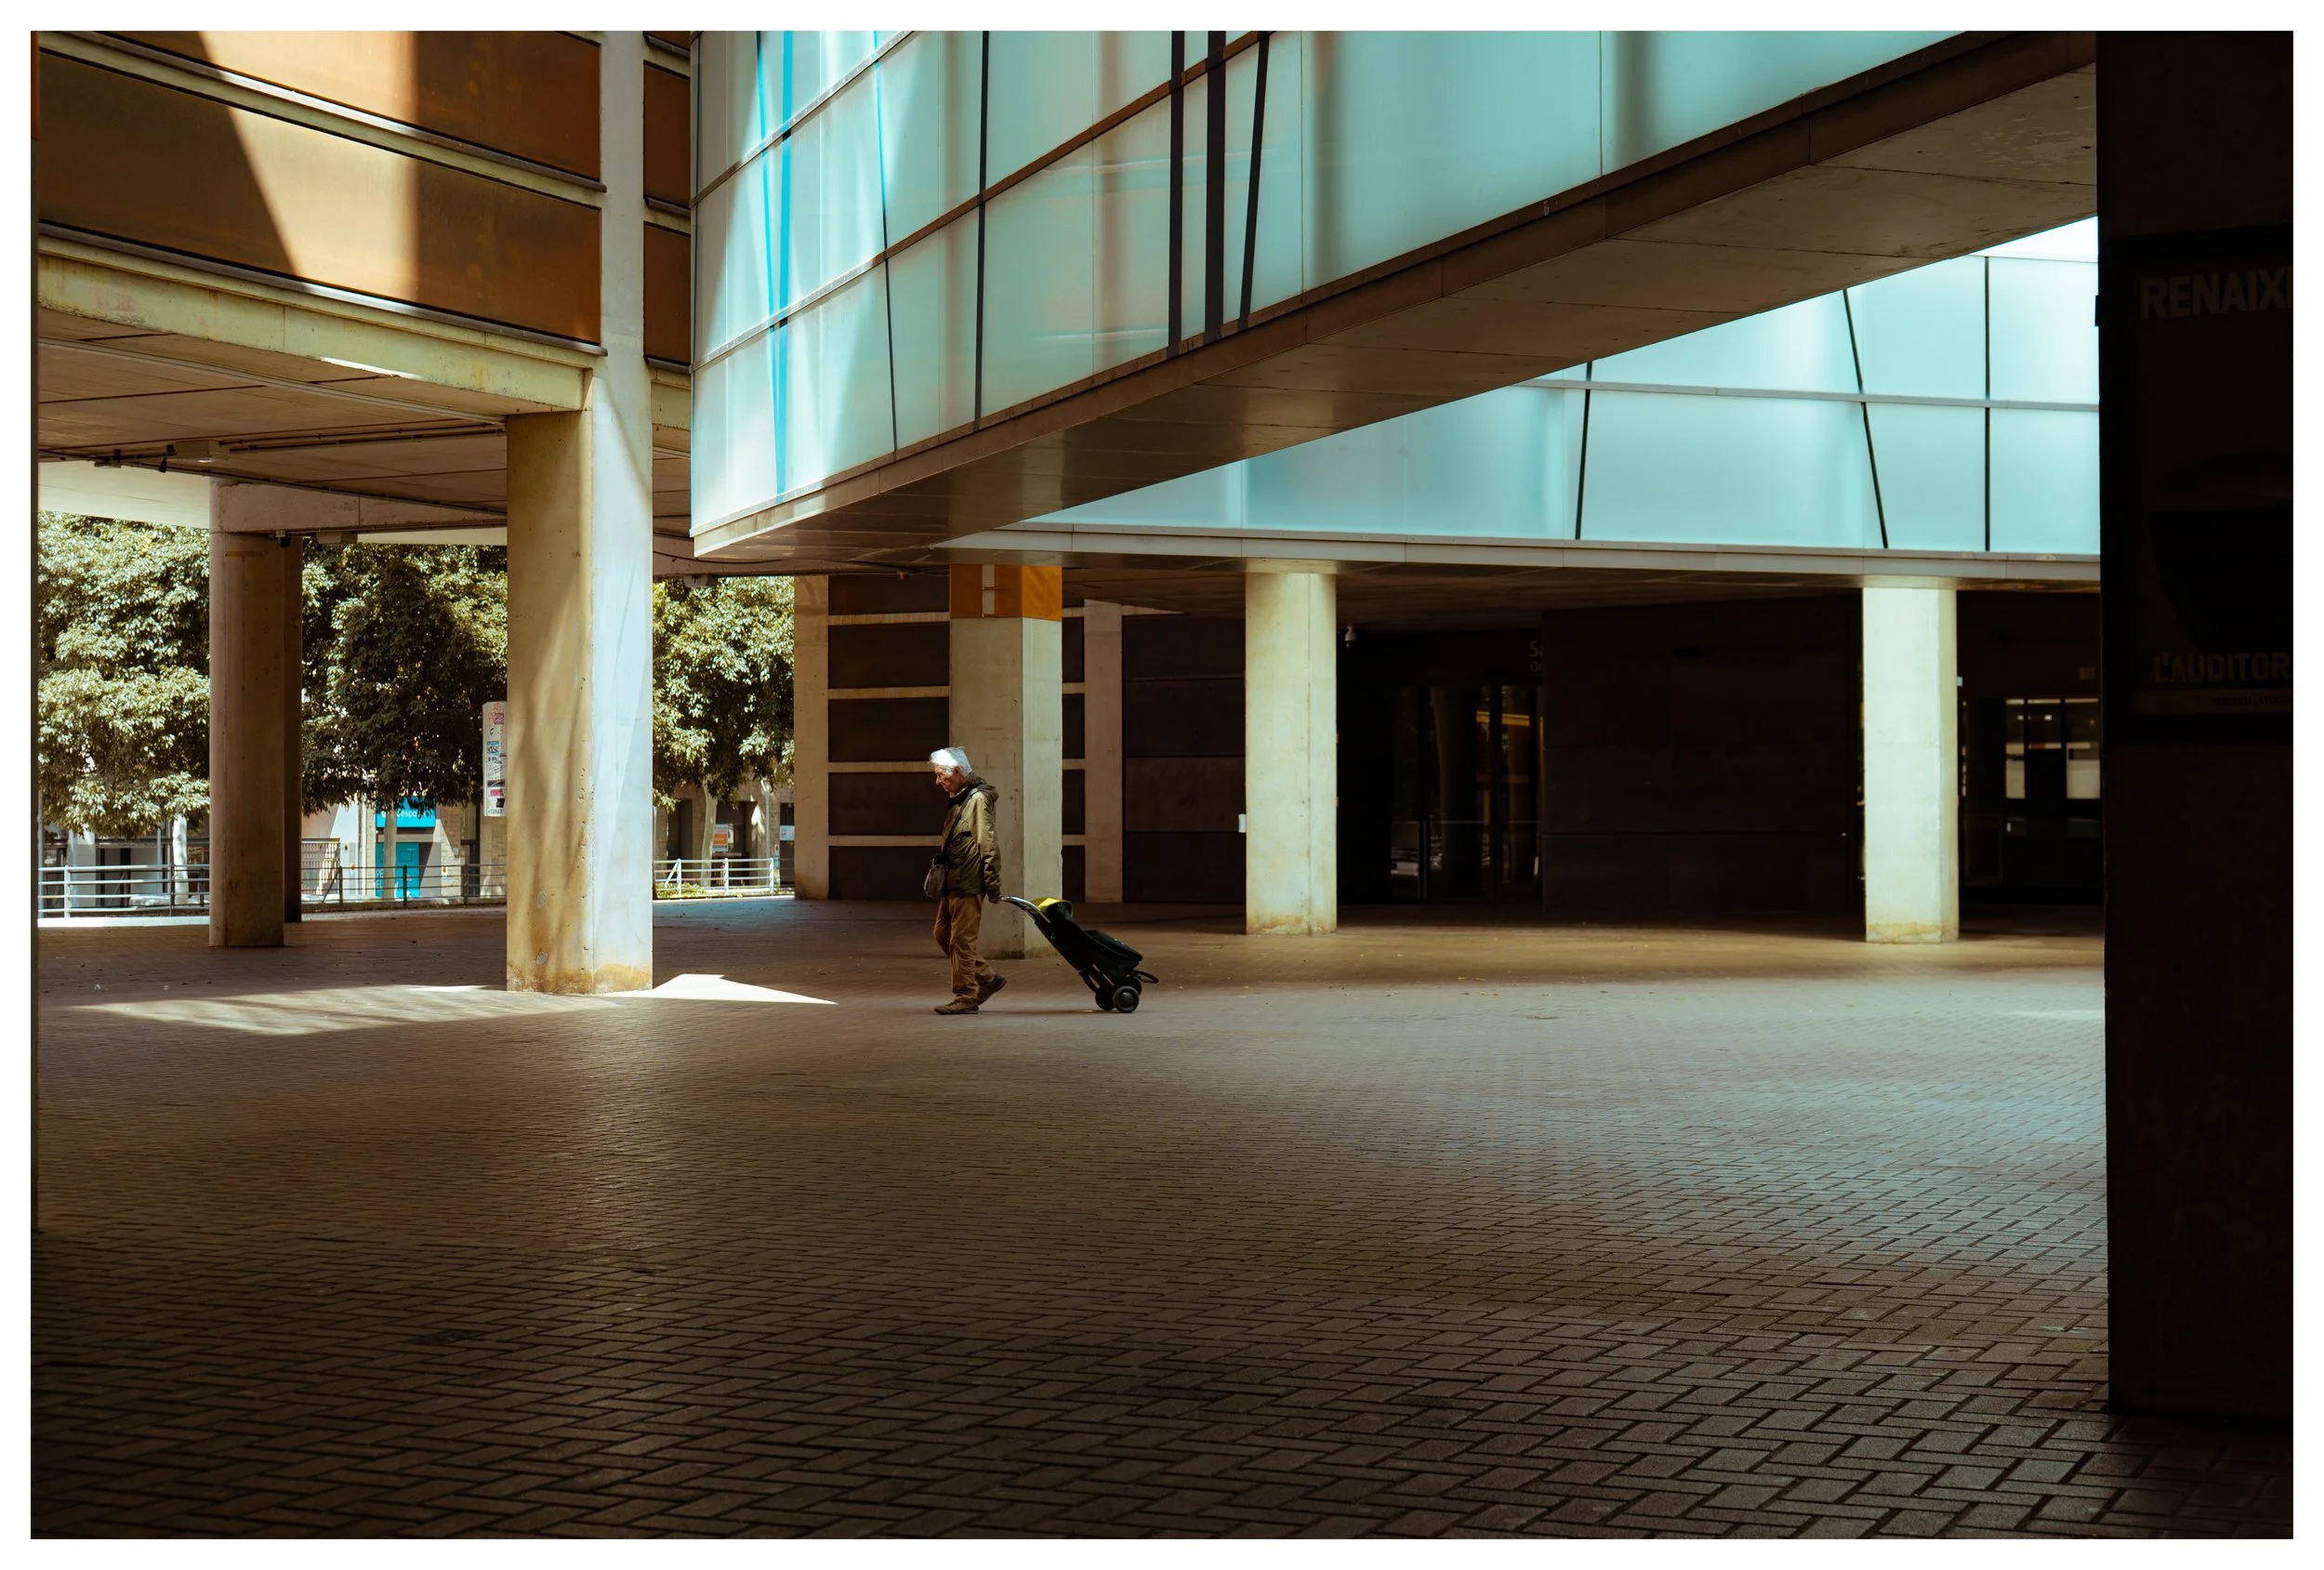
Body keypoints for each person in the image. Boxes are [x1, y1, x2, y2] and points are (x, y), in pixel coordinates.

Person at [929, 746, 1005, 1014]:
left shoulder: (977, 800)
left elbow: (988, 842)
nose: (938, 781)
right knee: (943, 933)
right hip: (954, 880)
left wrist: (993, 883)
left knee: (962, 941)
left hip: (968, 880)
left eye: (941, 776)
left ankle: (965, 996)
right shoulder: (960, 797)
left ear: (958, 772)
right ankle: (987, 977)